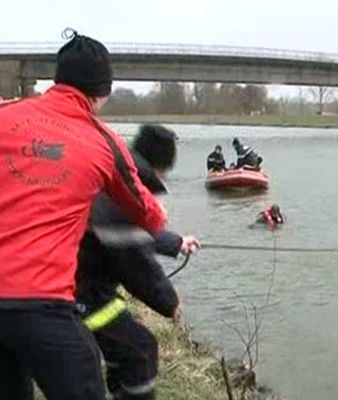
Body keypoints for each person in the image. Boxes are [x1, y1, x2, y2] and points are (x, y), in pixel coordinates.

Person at [0, 29, 166, 400]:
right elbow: (149, 215)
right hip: (42, 305)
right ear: (102, 92)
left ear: (57, 81)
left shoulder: (5, 113)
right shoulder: (104, 140)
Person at [77, 125, 199, 400]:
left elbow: (131, 232)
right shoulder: (124, 195)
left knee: (127, 347)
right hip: (80, 292)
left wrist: (176, 242)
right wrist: (170, 303)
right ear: (160, 166)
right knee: (141, 349)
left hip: (84, 283)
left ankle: (119, 390)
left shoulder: (115, 176)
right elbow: (134, 261)